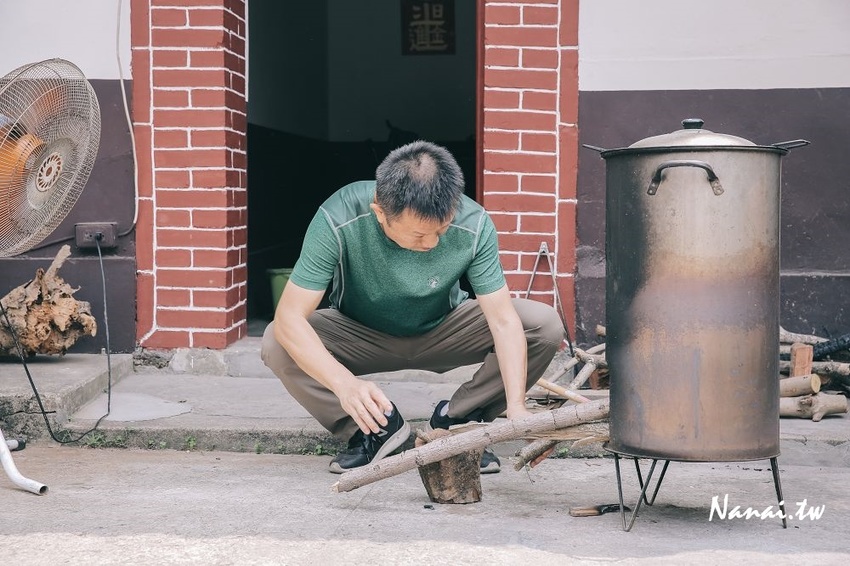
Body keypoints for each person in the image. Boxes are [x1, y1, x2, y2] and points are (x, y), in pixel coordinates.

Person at [261, 140, 565, 474]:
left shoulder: (474, 223)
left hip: (443, 329)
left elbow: (504, 322)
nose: (432, 242)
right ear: (380, 213)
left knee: (542, 324)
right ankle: (372, 429)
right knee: (278, 339)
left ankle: (461, 422)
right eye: (420, 235)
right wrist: (344, 384)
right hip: (360, 332)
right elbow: (290, 316)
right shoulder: (339, 215)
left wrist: (517, 408)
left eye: (442, 229)